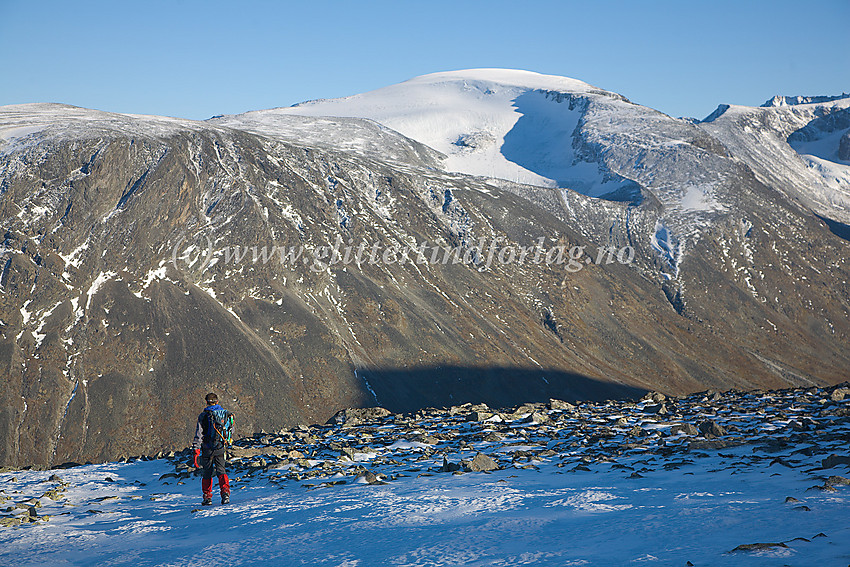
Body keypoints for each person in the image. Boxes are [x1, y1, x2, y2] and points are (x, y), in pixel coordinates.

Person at [192, 392, 233, 505]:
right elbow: (230, 430)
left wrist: (196, 451)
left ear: (206, 402)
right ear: (217, 401)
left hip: (207, 449)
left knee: (207, 473)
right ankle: (225, 494)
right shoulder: (225, 414)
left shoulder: (203, 416)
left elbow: (198, 434)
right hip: (220, 447)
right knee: (221, 471)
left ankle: (207, 497)